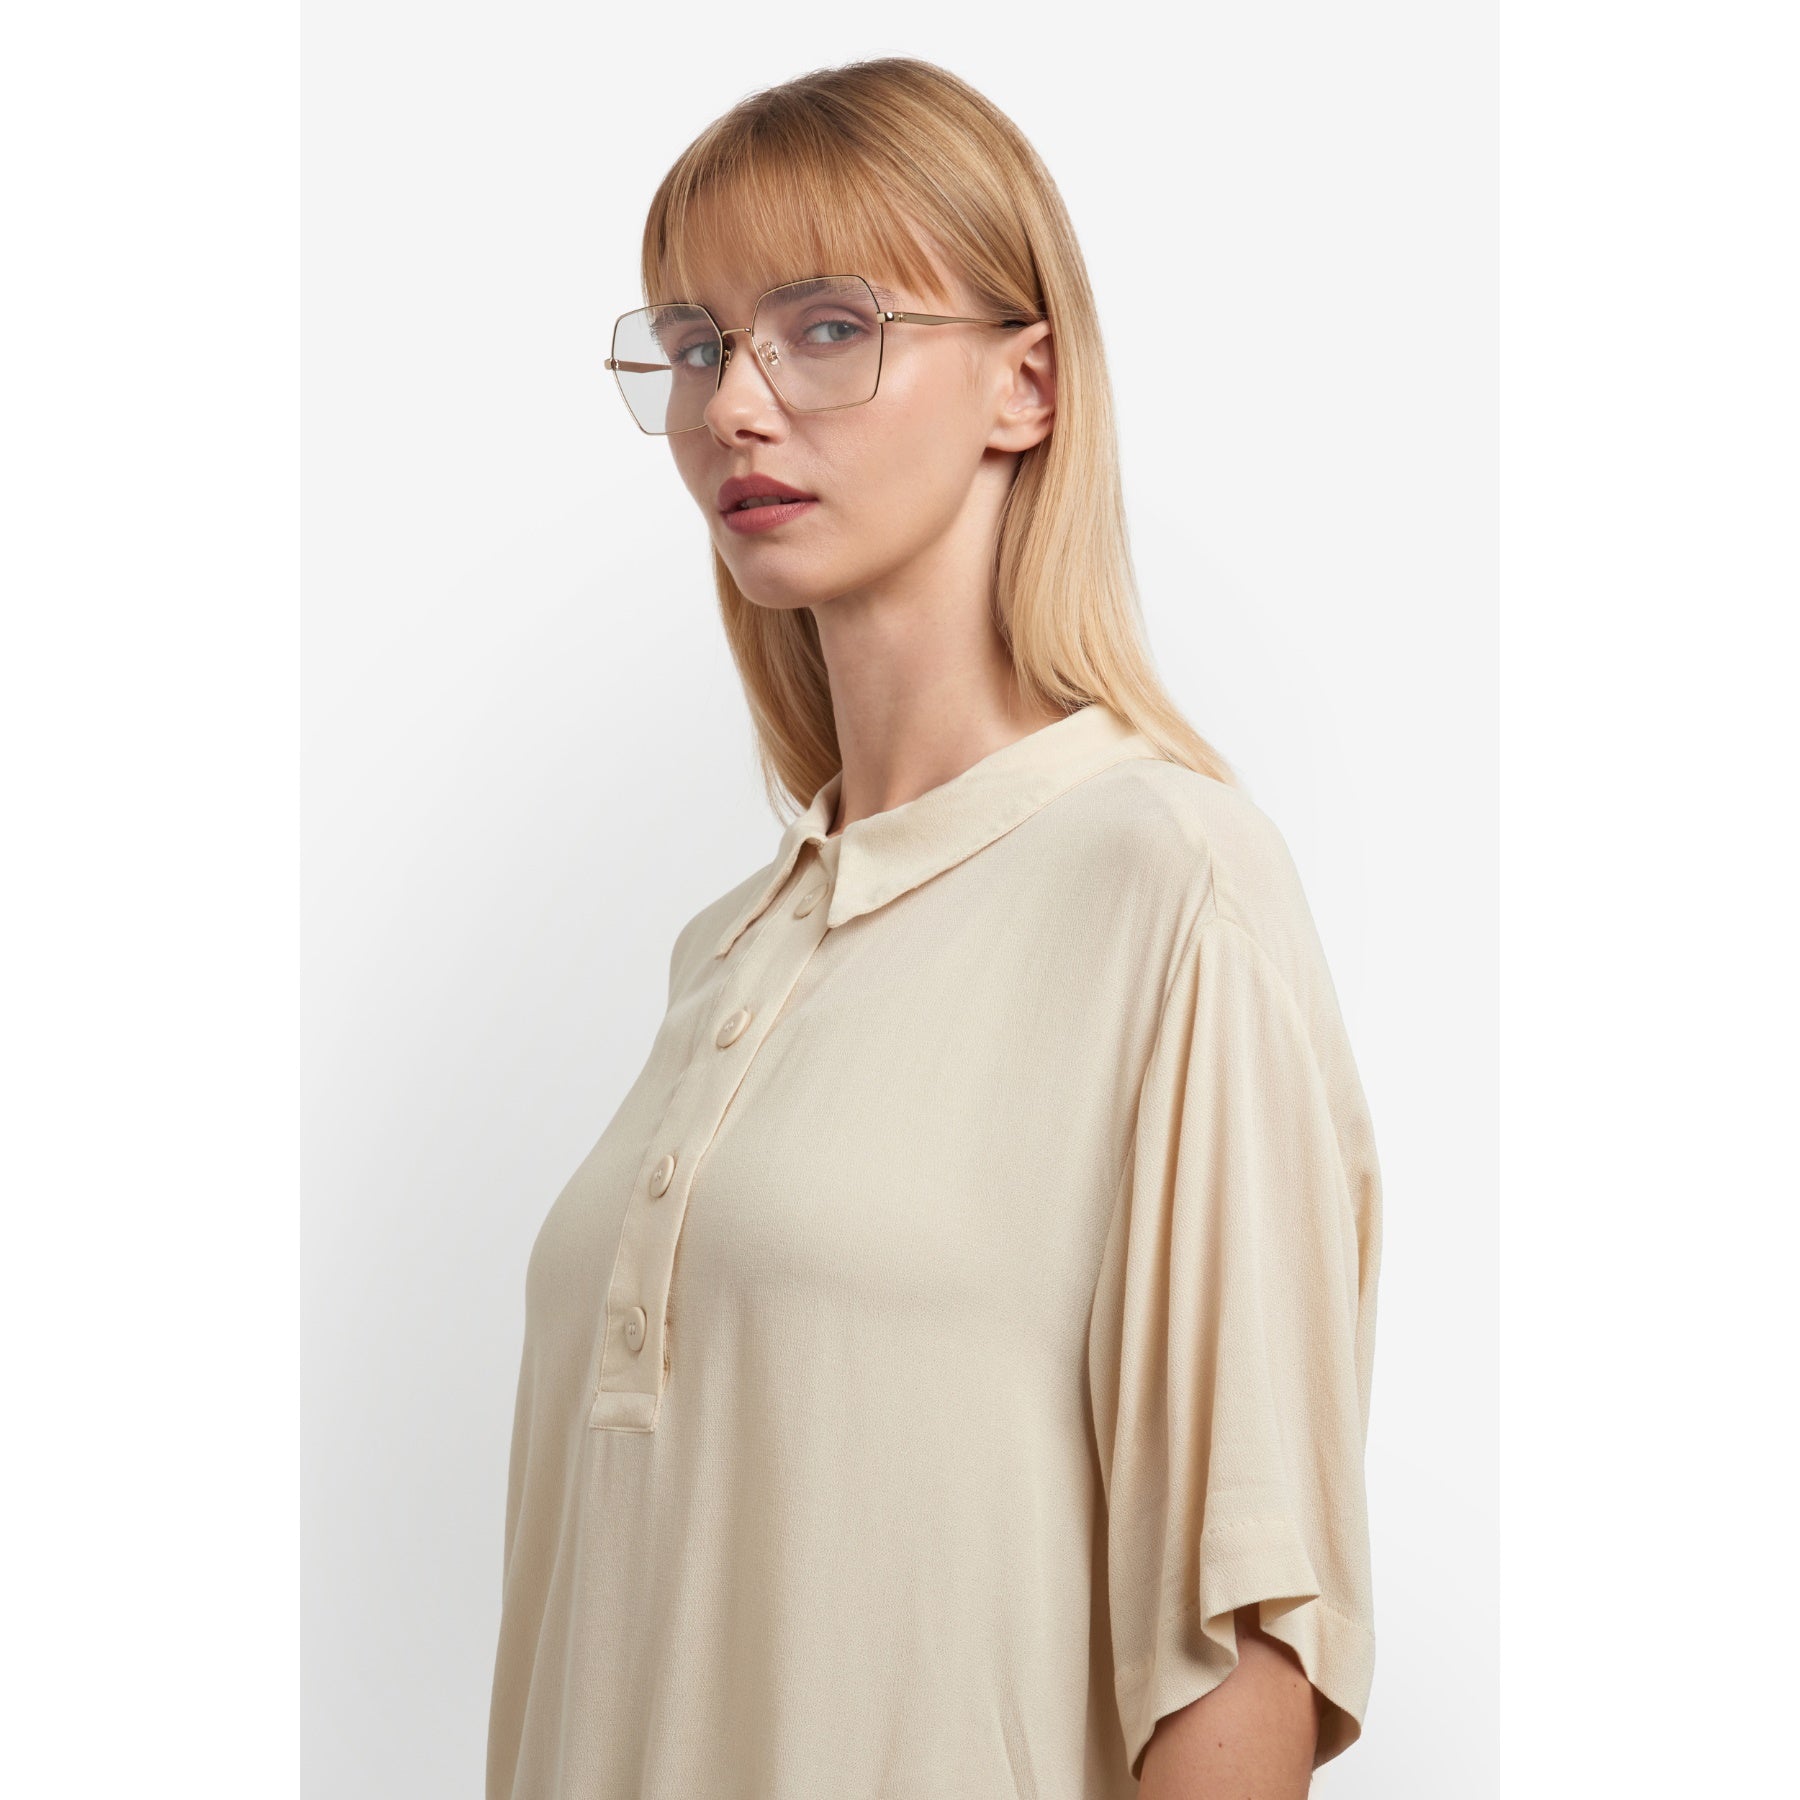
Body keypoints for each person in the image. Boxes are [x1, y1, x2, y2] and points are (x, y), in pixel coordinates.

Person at [485, 55, 1381, 1800]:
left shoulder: (1170, 884)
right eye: (695, 344)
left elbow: (1246, 1649)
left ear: (1024, 385)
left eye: (828, 328)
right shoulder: (726, 950)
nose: (737, 406)